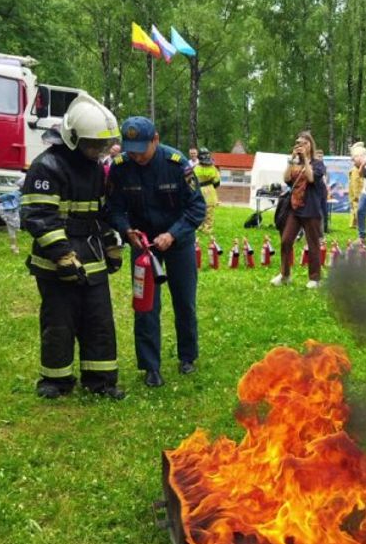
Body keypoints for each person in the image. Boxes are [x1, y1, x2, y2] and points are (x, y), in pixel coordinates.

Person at [20, 94, 124, 399]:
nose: (98, 151)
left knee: (99, 321)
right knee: (59, 322)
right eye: (93, 144)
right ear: (72, 136)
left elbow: (99, 213)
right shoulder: (47, 167)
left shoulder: (93, 168)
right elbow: (39, 216)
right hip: (55, 263)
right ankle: (56, 381)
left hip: (91, 257)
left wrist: (110, 243)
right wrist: (62, 255)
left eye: (102, 145)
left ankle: (101, 382)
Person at [108, 116, 206, 388]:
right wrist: (126, 230)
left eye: (142, 149)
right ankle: (150, 366)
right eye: (131, 149)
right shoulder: (120, 167)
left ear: (156, 140)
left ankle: (188, 356)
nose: (136, 156)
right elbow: (113, 208)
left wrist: (172, 234)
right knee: (146, 305)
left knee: (184, 301)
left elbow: (196, 208)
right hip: (142, 246)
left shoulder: (177, 165)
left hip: (178, 242)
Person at [270, 130, 327, 289]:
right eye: (298, 143)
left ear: (310, 145)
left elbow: (310, 178)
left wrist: (307, 160)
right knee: (286, 240)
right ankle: (285, 275)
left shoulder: (317, 163)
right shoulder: (294, 162)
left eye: (304, 143)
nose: (300, 146)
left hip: (311, 208)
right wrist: (291, 161)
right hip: (295, 207)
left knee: (313, 243)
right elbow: (287, 179)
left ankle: (314, 279)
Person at [194, 147, 221, 235]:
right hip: (210, 190)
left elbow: (191, 181)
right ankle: (207, 229)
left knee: (199, 209)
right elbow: (216, 182)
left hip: (198, 190)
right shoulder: (213, 168)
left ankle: (199, 226)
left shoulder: (195, 168)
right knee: (209, 211)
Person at [348, 142, 366, 229]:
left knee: (356, 203)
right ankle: (356, 223)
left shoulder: (361, 153)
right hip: (355, 185)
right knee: (355, 203)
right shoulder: (354, 169)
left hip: (358, 185)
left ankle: (356, 222)